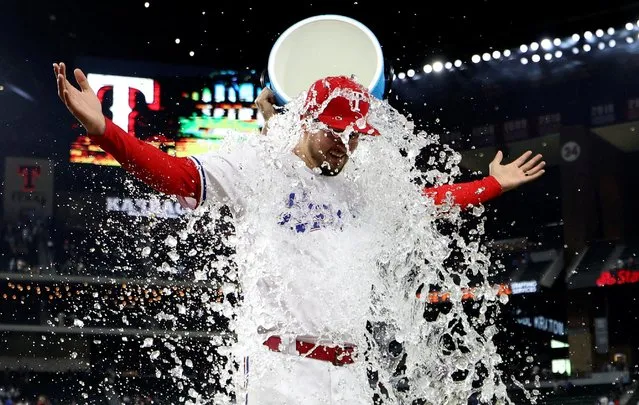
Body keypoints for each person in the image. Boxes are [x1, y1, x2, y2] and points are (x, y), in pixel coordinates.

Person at [53, 62, 545, 404]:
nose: (346, 145)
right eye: (335, 132)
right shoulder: (257, 167)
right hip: (281, 373)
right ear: (307, 121)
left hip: (350, 376)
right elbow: (178, 176)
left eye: (354, 135)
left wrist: (490, 185)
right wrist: (106, 132)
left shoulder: (362, 186)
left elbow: (423, 206)